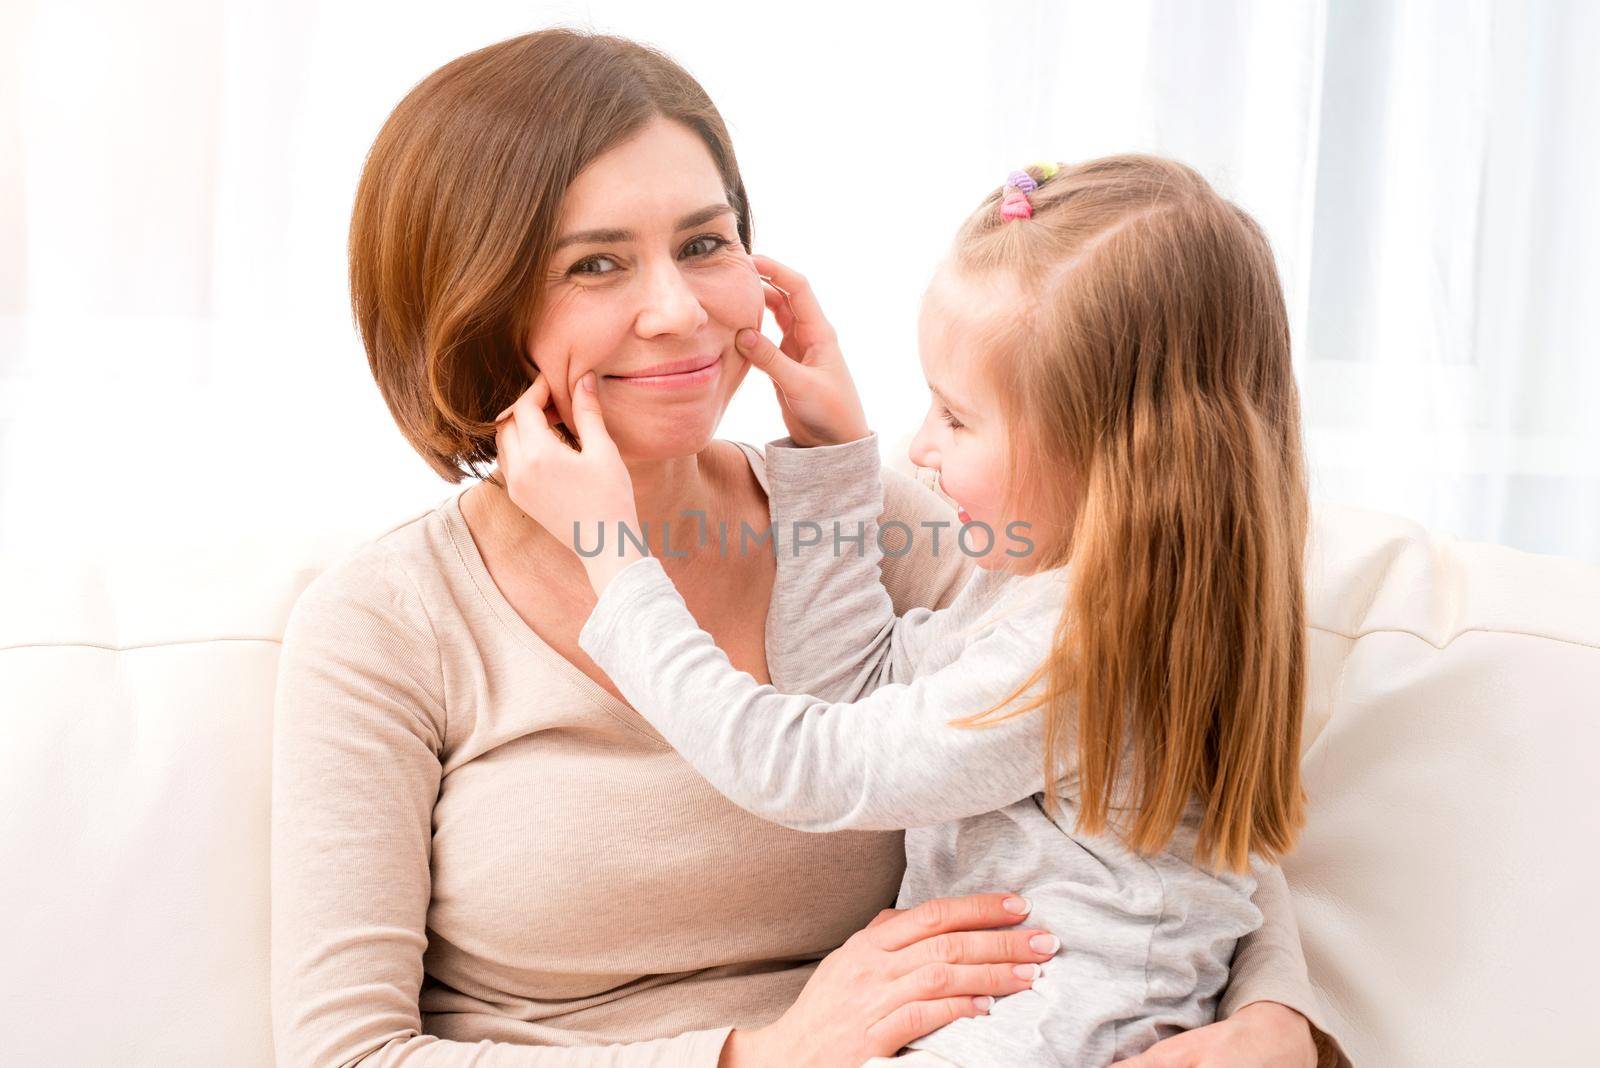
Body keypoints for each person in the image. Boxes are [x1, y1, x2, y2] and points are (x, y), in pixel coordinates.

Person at [271, 28, 1347, 1068]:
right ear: (469, 309)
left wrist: (1275, 1021)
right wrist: (759, 1056)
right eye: (595, 264)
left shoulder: (898, 522)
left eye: (704, 243)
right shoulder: (386, 624)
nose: (677, 310)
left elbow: (1148, 791)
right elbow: (347, 1057)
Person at [491, 153, 1320, 1066]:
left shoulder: (1081, 652)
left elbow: (809, 766)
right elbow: (855, 686)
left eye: (957, 418)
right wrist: (830, 460)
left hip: (1044, 1037)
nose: (920, 449)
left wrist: (616, 564)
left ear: (1116, 457)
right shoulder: (1062, 587)